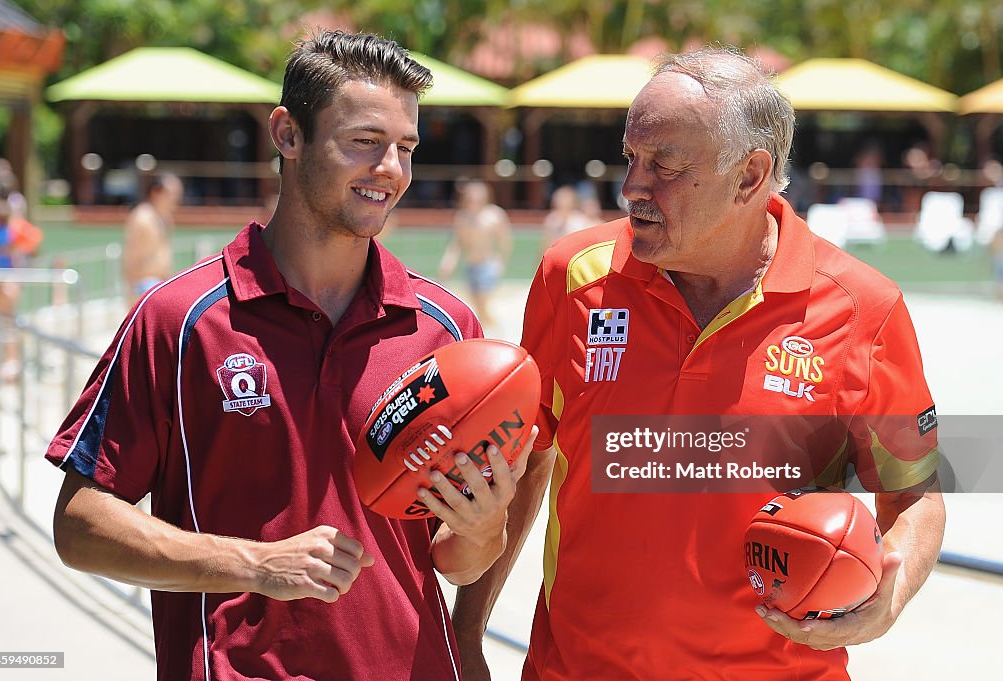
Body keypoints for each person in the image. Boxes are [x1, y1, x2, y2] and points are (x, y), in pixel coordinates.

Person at [47, 30, 533, 681]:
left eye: (406, 147)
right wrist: (253, 564)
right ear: (287, 133)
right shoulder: (179, 320)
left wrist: (482, 528)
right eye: (364, 140)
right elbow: (79, 525)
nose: (390, 167)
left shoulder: (447, 328)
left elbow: (456, 561)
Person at [453, 47, 945, 680]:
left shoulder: (862, 308)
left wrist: (888, 601)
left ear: (749, 175)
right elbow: (526, 459)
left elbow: (914, 493)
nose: (632, 186)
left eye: (666, 165)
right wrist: (466, 635)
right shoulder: (573, 276)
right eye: (632, 157)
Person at [437, 180, 512, 325]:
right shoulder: (462, 217)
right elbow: (457, 244)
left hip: (487, 267)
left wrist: (500, 263)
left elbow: (505, 242)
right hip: (470, 267)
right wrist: (448, 262)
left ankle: (491, 332)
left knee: (482, 304)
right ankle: (493, 328)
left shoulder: (494, 215)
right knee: (478, 307)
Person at [121, 172, 183, 304]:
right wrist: (132, 292)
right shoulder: (142, 218)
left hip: (159, 284)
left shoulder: (165, 218)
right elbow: (130, 257)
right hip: (143, 287)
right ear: (156, 192)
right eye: (172, 193)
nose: (176, 198)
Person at [541, 185, 592, 251]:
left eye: (565, 199)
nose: (561, 202)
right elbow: (547, 244)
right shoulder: (552, 219)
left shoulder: (580, 220)